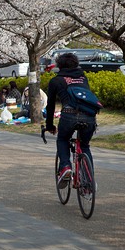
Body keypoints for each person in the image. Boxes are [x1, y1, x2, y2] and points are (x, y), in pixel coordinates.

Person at [44, 53, 97, 186]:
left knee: (62, 139)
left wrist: (49, 126)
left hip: (68, 115)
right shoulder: (83, 78)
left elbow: (50, 106)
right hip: (89, 116)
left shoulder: (56, 81)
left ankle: (66, 167)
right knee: (84, 146)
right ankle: (89, 180)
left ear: (59, 65)